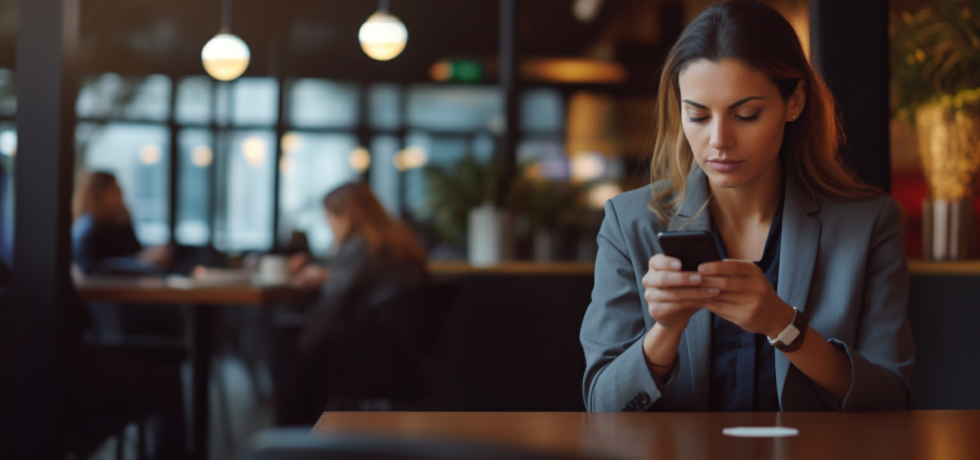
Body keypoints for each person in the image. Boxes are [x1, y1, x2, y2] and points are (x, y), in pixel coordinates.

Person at [580, 0, 914, 412]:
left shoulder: (869, 224)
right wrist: (666, 330)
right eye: (698, 116)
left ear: (794, 102)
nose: (719, 140)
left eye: (747, 114)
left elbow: (890, 401)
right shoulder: (629, 223)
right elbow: (603, 407)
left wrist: (782, 325)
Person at [275, 182, 429, 424]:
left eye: (329, 219)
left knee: (288, 335)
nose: (330, 228)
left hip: (363, 358)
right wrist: (330, 276)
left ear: (344, 216)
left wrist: (303, 345)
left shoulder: (358, 245)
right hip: (406, 355)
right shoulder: (400, 243)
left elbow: (332, 305)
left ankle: (290, 435)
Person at [71, 171, 169, 275]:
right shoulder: (88, 227)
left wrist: (150, 255)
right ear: (98, 194)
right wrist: (141, 261)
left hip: (130, 284)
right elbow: (89, 266)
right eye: (114, 189)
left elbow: (135, 252)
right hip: (108, 288)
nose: (120, 192)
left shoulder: (121, 221)